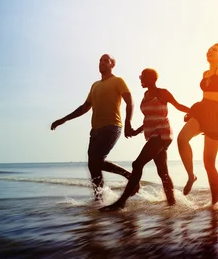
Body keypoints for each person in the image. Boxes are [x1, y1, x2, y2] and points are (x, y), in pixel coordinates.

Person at [100, 68, 190, 211]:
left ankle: (121, 202)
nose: (140, 79)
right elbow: (149, 118)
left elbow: (178, 106)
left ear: (152, 79)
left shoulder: (162, 93)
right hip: (152, 136)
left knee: (137, 164)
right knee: (163, 172)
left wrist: (194, 112)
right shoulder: (146, 94)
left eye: (142, 77)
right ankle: (172, 204)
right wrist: (137, 131)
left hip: (162, 135)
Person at [51, 54, 134, 201]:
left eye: (106, 60)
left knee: (96, 160)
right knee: (93, 165)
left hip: (112, 126)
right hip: (95, 130)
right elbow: (84, 107)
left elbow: (130, 102)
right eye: (100, 60)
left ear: (112, 65)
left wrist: (128, 123)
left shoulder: (118, 81)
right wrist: (63, 119)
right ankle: (99, 199)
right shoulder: (95, 85)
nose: (102, 63)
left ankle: (129, 176)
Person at [177, 43, 218, 204]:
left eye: (214, 50)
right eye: (209, 50)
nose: (210, 51)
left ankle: (215, 203)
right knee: (182, 139)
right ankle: (191, 176)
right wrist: (192, 113)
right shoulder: (205, 73)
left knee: (209, 163)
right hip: (201, 109)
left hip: (215, 112)